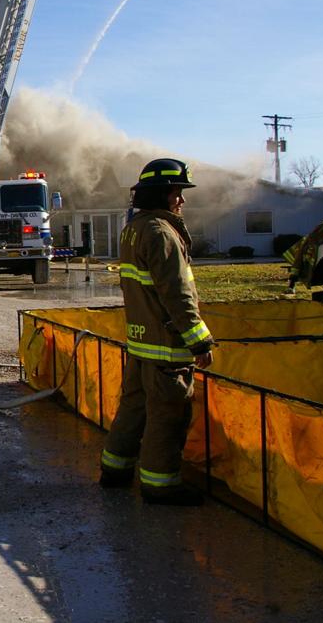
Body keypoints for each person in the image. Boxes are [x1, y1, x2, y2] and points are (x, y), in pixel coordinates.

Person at [99, 158, 214, 506]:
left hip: (141, 342)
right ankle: (160, 485)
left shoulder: (133, 229)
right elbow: (177, 295)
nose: (181, 201)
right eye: (177, 193)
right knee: (168, 415)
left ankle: (115, 470)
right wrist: (200, 342)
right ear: (162, 194)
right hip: (166, 347)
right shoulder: (162, 233)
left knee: (133, 409)